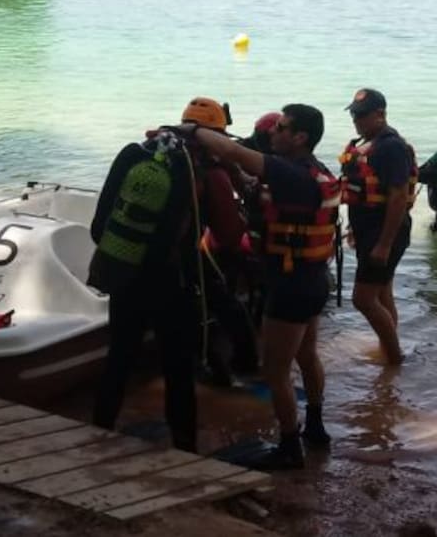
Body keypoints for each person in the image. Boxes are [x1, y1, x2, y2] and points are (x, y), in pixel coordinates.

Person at [182, 104, 340, 470]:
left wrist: (189, 131)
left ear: (300, 137)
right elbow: (254, 186)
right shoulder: (314, 172)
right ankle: (314, 428)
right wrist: (238, 177)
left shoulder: (289, 172)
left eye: (282, 128)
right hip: (314, 280)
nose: (273, 132)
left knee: (274, 370)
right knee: (307, 355)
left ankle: (289, 446)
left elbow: (234, 152)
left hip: (290, 287)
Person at [90, 97, 245, 453]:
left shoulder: (146, 152)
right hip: (172, 281)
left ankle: (98, 431)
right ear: (216, 135)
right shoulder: (207, 170)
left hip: (125, 267)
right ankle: (184, 449)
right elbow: (231, 236)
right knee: (178, 369)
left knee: (119, 357)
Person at [338, 88, 416, 366]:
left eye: (362, 115)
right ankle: (388, 349)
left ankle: (395, 358)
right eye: (354, 115)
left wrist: (383, 244)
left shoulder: (390, 147)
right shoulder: (369, 144)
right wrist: (354, 228)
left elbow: (397, 196)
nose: (356, 121)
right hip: (371, 230)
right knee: (382, 293)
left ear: (380, 114)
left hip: (385, 233)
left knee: (363, 299)